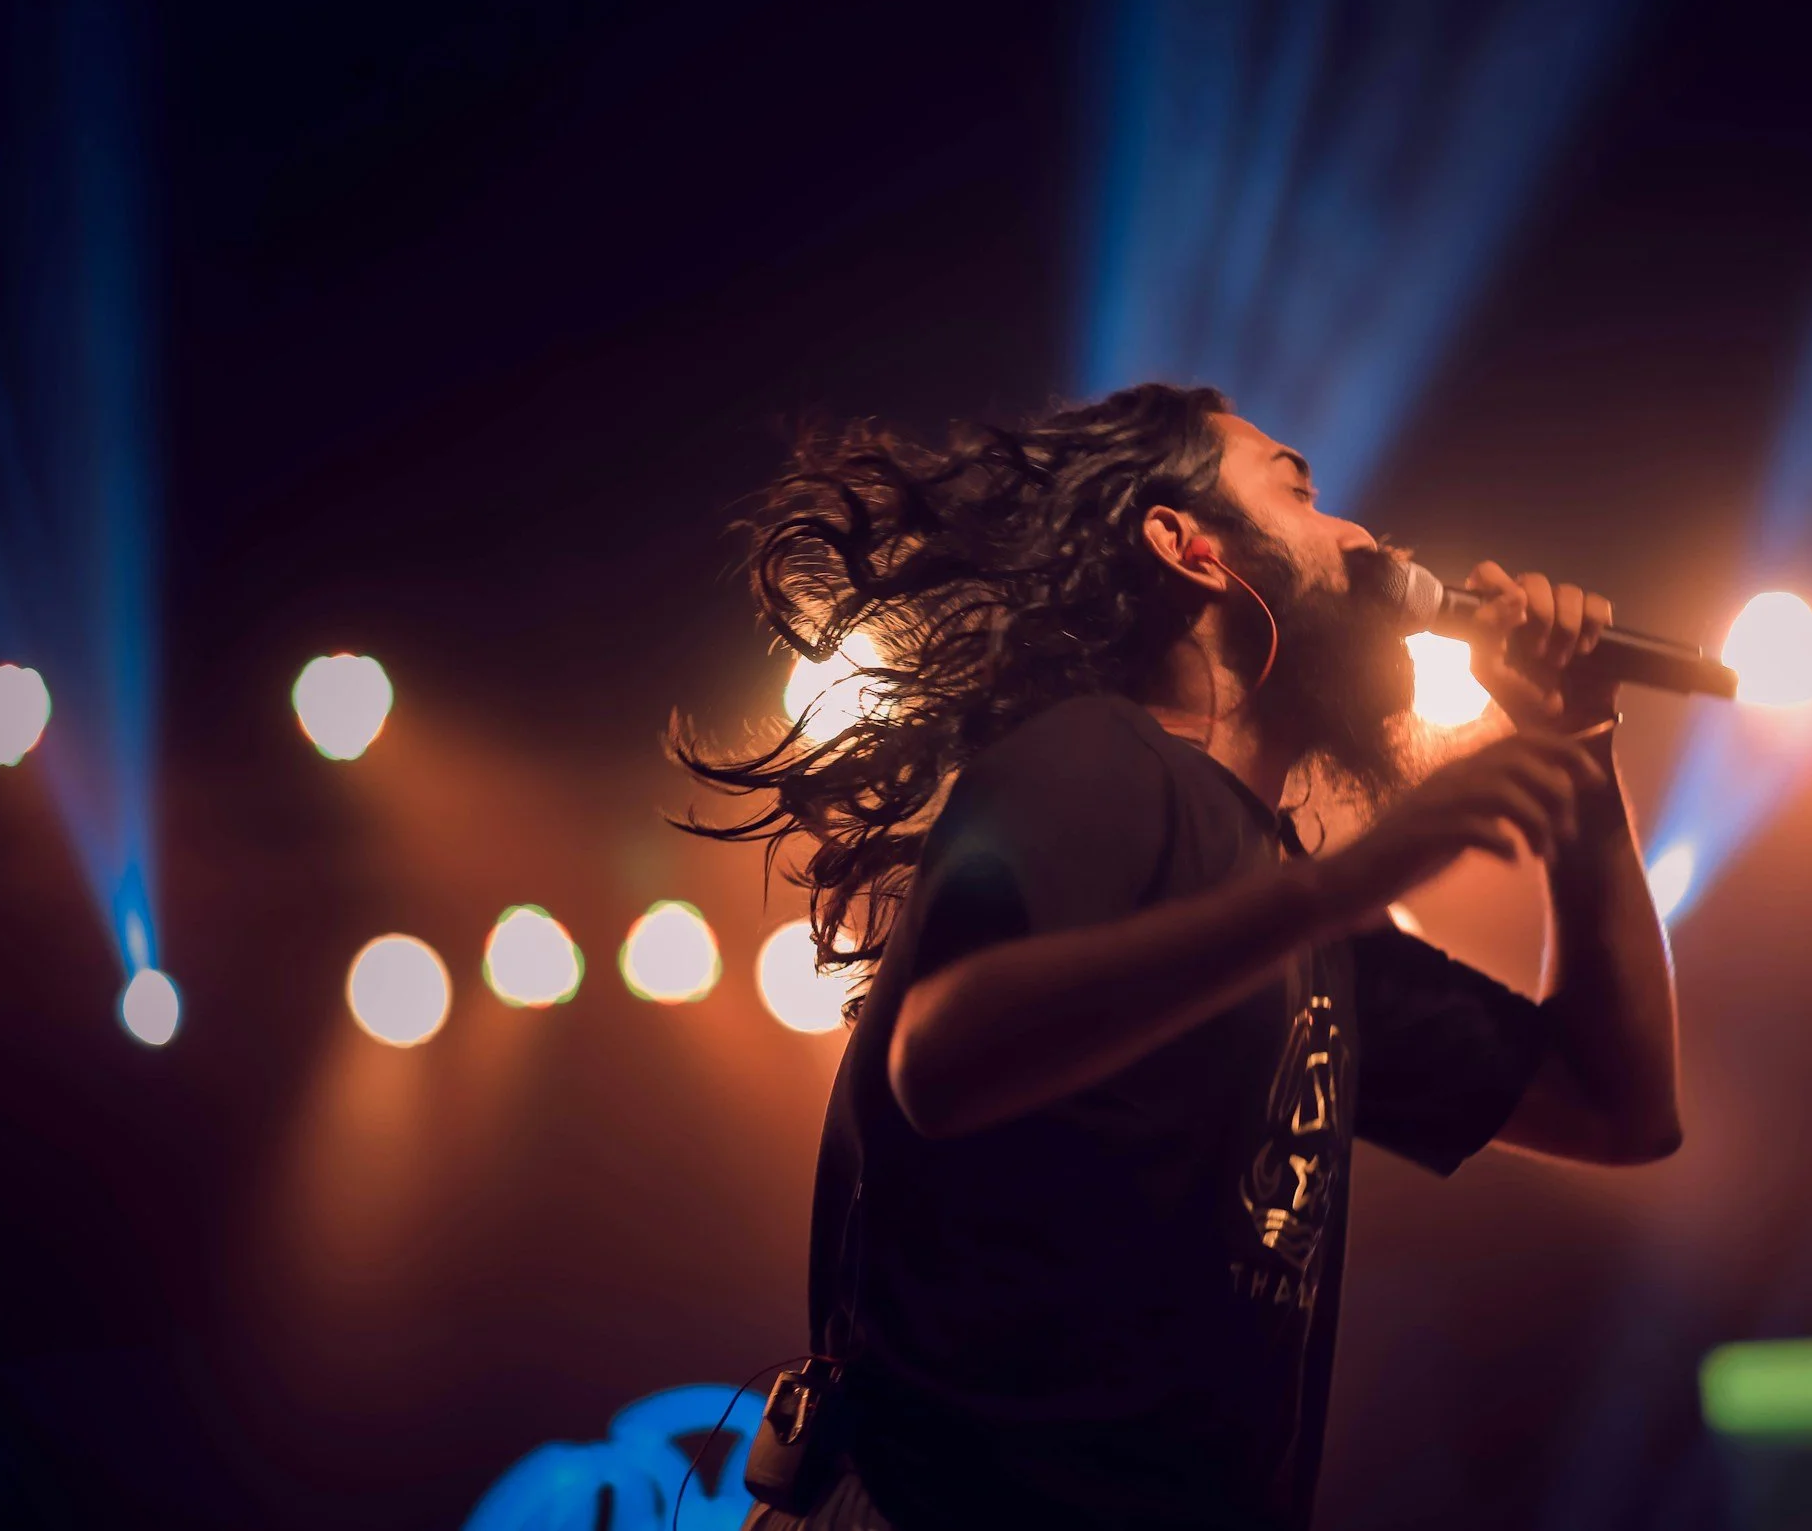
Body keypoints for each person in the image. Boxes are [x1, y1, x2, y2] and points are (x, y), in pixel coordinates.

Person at [680, 383, 1680, 1531]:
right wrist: (1346, 882)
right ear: (1189, 546)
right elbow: (946, 1055)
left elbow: (1619, 1108)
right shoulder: (1091, 754)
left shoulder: (1298, 914)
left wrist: (1580, 754)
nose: (1365, 537)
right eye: (1299, 490)